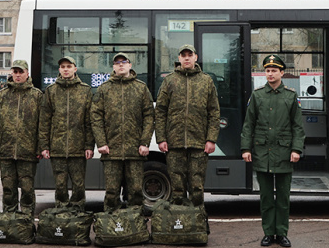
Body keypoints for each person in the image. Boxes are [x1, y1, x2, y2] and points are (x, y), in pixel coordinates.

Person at [240, 54, 305, 248]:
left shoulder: (291, 96)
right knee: (266, 197)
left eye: (274, 70)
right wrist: (246, 148)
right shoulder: (257, 95)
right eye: (267, 71)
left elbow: (298, 126)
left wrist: (296, 149)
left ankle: (282, 233)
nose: (270, 74)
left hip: (285, 153)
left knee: (283, 198)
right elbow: (248, 125)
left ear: (282, 73)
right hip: (263, 153)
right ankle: (268, 233)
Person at [155, 44, 221, 208]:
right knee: (177, 188)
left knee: (197, 187)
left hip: (198, 143)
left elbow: (214, 112)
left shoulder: (206, 81)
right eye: (183, 55)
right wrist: (161, 138)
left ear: (195, 57)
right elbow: (161, 111)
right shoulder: (169, 81)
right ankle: (180, 220)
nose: (186, 58)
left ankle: (196, 219)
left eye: (189, 55)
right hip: (174, 143)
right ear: (179, 58)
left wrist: (211, 139)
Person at [91, 52, 154, 213]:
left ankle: (136, 222)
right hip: (111, 150)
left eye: (124, 62)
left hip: (135, 151)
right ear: (113, 67)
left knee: (136, 191)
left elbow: (149, 116)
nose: (120, 65)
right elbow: (96, 117)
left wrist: (144, 142)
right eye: (117, 62)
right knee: (112, 192)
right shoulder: (104, 89)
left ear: (130, 65)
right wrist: (101, 143)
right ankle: (111, 222)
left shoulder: (141, 88)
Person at [0, 60, 43, 216]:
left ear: (27, 73)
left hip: (28, 151)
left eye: (21, 72)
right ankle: (9, 217)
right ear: (12, 73)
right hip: (6, 150)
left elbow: (42, 124)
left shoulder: (36, 95)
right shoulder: (3, 95)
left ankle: (26, 218)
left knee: (27, 188)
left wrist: (40, 147)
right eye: (15, 72)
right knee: (8, 188)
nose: (18, 75)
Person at [38, 56, 94, 209]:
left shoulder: (85, 90)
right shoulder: (51, 91)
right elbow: (45, 121)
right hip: (57, 148)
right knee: (60, 185)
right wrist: (44, 145)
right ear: (59, 70)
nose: (66, 69)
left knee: (79, 185)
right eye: (63, 67)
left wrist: (89, 145)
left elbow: (89, 121)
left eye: (69, 66)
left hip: (78, 148)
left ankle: (78, 213)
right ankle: (61, 213)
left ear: (75, 69)